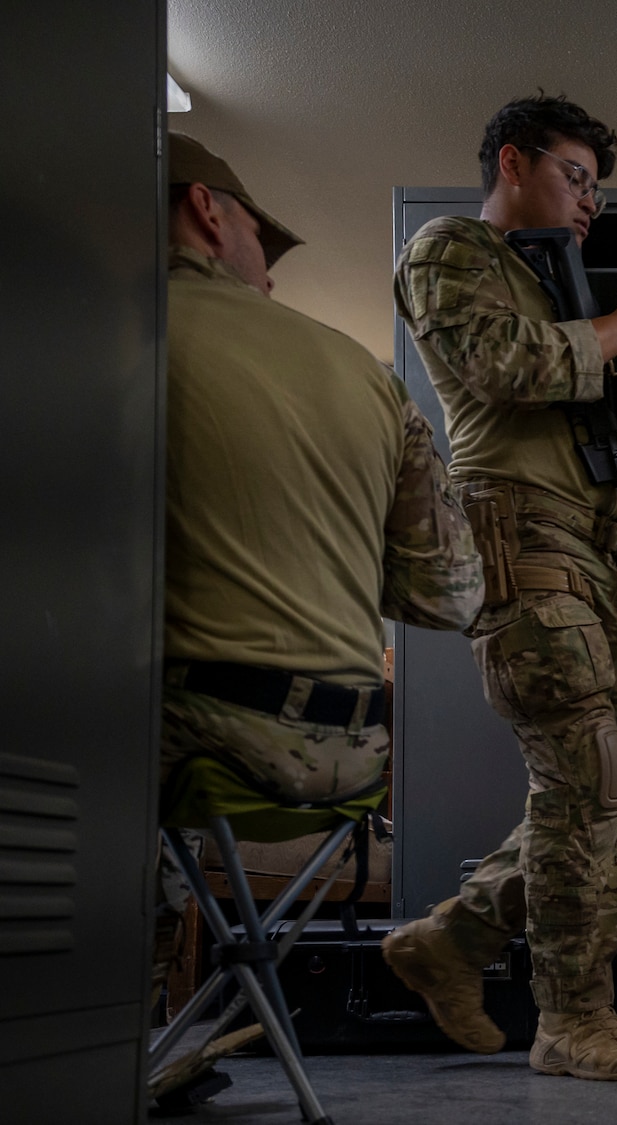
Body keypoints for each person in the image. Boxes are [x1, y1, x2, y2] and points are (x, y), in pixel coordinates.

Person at [384, 94, 617, 1082]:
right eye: (575, 177)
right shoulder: (449, 253)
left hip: (598, 568)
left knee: (613, 799)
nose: (587, 203)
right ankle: (571, 1019)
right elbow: (505, 368)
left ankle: (450, 942)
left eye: (594, 189)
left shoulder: (562, 293)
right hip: (526, 556)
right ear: (514, 163)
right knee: (590, 783)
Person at [156, 130, 481, 1006]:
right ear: (207, 209)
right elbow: (451, 595)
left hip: (199, 738)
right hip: (347, 758)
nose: (272, 273)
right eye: (266, 240)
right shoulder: (367, 374)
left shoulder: (107, 336)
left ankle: (130, 1024)